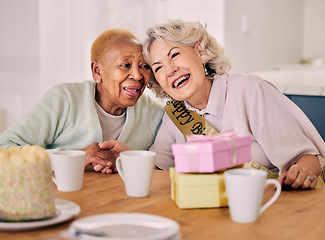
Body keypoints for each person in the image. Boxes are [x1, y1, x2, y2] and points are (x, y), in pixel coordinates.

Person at [139, 19, 325, 190]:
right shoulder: (174, 114)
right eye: (158, 67)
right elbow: (159, 167)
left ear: (200, 52)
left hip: (271, 204)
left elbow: (307, 159)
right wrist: (124, 159)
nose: (170, 70)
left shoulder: (249, 90)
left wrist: (300, 173)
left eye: (174, 55)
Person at [0, 28, 164, 173]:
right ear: (97, 71)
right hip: (60, 200)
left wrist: (130, 159)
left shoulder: (154, 114)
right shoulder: (65, 98)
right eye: (125, 65)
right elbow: (5, 149)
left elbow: (172, 163)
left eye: (144, 66)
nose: (137, 75)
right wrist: (76, 157)